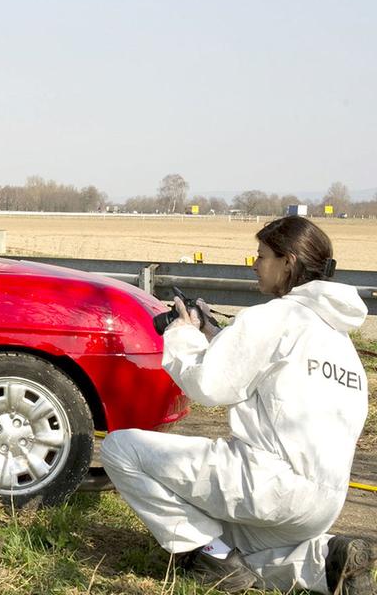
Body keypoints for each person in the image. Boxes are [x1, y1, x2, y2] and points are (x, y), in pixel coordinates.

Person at [101, 215, 373, 594]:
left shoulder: (274, 316)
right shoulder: (339, 343)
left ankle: (208, 557)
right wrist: (215, 335)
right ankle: (327, 559)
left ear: (288, 262)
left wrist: (182, 334)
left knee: (121, 449)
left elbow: (209, 386)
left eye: (261, 256)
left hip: (265, 484)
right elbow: (268, 372)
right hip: (322, 505)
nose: (255, 264)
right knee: (239, 549)